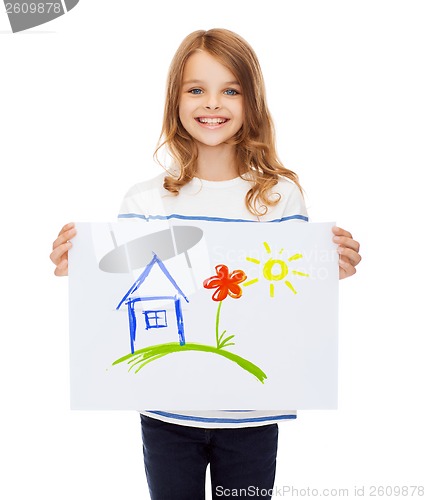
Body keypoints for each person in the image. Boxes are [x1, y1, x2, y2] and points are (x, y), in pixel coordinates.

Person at [50, 29, 361, 500]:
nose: (212, 103)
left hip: (253, 416)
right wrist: (84, 270)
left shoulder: (279, 196)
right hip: (166, 415)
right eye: (196, 89)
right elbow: (125, 285)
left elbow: (289, 289)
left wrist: (328, 267)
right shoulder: (145, 198)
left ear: (250, 101)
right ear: (175, 99)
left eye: (230, 90)